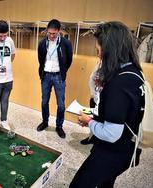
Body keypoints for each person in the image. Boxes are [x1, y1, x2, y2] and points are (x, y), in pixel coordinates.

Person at [70, 21, 144, 188]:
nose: (98, 56)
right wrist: (94, 118)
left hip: (113, 151)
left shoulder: (119, 83)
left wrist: (89, 121)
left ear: (111, 50)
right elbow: (122, 115)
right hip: (127, 147)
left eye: (99, 51)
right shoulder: (134, 72)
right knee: (105, 183)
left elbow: (111, 133)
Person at [37, 19, 73, 138]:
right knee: (44, 101)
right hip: (46, 76)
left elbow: (69, 61)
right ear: (47, 31)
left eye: (54, 33)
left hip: (59, 76)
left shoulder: (66, 43)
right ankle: (45, 122)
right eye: (49, 33)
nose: (51, 36)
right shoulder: (42, 43)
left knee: (61, 104)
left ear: (59, 31)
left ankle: (59, 126)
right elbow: (41, 60)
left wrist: (62, 71)